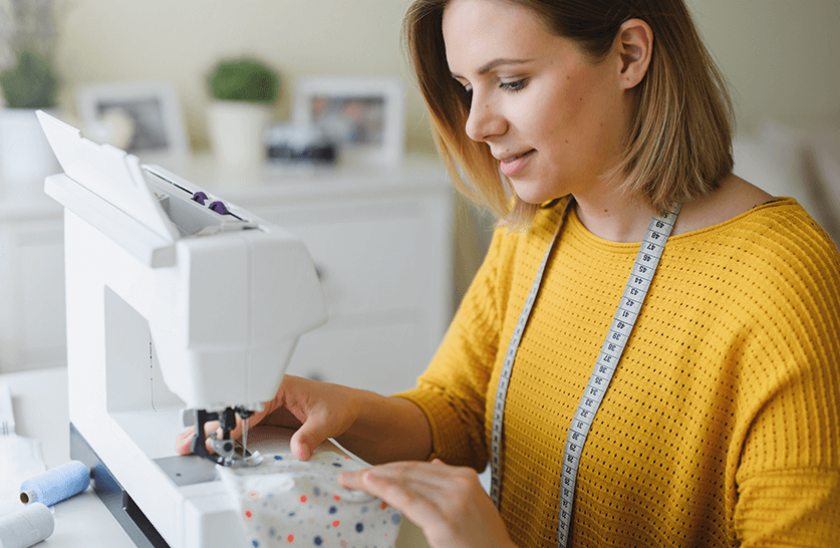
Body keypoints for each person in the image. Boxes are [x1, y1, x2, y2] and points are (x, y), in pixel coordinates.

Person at [176, 0, 840, 546]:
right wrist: (340, 409)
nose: (477, 123)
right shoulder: (537, 229)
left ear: (629, 55)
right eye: (468, 87)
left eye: (512, 82)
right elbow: (460, 414)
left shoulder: (782, 278)